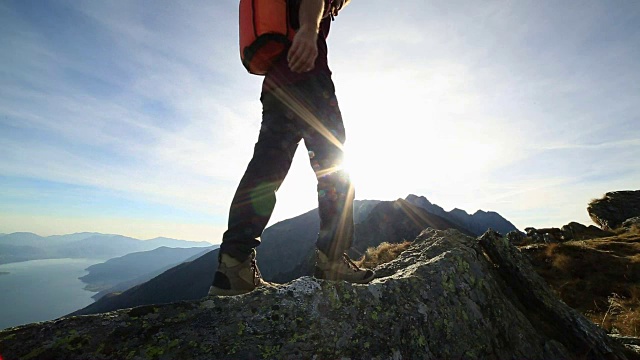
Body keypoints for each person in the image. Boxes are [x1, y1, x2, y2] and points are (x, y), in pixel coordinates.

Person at [209, 0, 374, 297]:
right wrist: (310, 29)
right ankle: (332, 261)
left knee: (267, 168)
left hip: (277, 82)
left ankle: (234, 267)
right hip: (309, 76)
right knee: (336, 168)